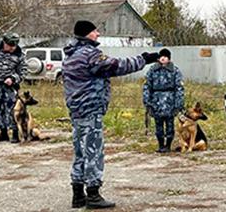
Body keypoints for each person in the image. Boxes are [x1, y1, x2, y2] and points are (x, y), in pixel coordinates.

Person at [63, 20, 159, 209]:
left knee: (80, 150)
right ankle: (93, 194)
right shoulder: (89, 54)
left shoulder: (70, 54)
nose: (98, 34)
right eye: (95, 31)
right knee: (93, 151)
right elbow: (117, 66)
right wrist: (144, 59)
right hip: (91, 108)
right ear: (86, 34)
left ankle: (77, 193)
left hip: (76, 109)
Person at [143, 48, 184, 153]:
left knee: (170, 124)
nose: (163, 58)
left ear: (169, 59)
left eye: (165, 57)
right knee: (158, 124)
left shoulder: (175, 70)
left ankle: (168, 145)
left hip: (170, 100)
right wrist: (147, 101)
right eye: (161, 56)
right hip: (156, 101)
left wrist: (178, 104)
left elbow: (179, 88)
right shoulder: (152, 70)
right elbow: (147, 86)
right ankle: (161, 145)